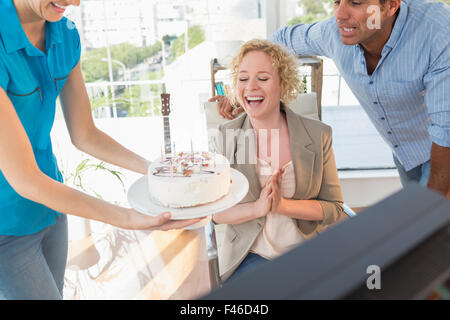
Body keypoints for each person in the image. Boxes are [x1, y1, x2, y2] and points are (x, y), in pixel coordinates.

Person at [0, 0, 200, 300]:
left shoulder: (64, 34)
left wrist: (155, 170)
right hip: (7, 227)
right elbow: (25, 178)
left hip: (52, 212)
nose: (74, 2)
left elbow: (85, 134)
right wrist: (128, 218)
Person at [210, 0, 450, 198]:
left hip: (444, 147)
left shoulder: (436, 33)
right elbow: (279, 41)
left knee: (431, 223)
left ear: (391, 6)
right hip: (406, 150)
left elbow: (446, 129)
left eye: (356, 3)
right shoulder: (333, 34)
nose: (340, 14)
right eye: (336, 2)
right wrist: (244, 92)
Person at [211, 39, 346, 282]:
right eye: (243, 79)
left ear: (283, 84)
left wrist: (282, 205)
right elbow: (217, 213)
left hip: (307, 253)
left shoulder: (318, 135)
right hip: (250, 255)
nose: (251, 87)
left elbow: (334, 208)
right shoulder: (226, 136)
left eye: (263, 78)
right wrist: (256, 208)